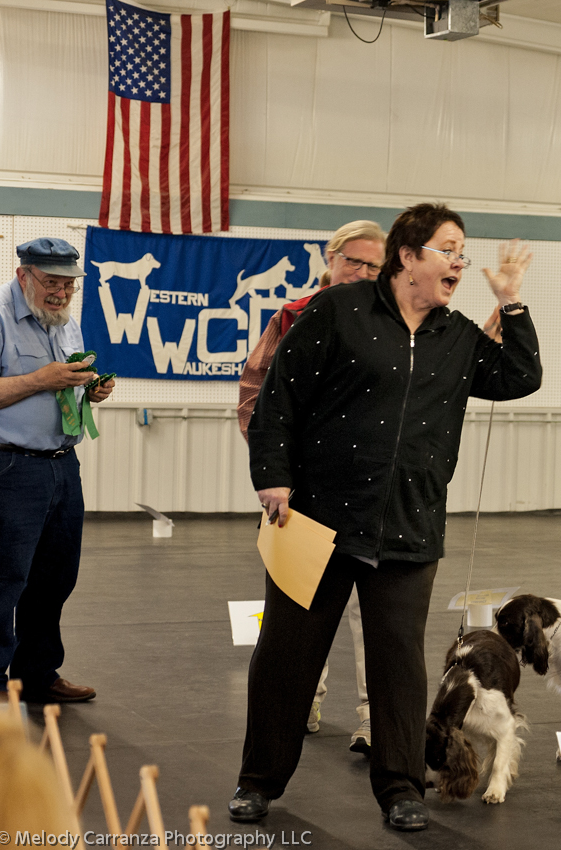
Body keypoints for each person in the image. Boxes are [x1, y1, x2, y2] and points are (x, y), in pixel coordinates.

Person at [231, 203, 541, 831]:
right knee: (287, 656)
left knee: (399, 666)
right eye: (447, 248)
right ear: (408, 257)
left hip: (409, 525)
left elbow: (519, 376)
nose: (459, 260)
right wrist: (274, 477)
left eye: (462, 250)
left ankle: (400, 788)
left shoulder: (455, 337)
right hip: (314, 522)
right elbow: (278, 399)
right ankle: (258, 781)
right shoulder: (336, 314)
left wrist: (512, 304)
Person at [238, 220, 385, 754]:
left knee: (371, 614)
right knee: (297, 607)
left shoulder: (395, 324)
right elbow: (254, 394)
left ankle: (374, 717)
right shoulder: (292, 316)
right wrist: (276, 472)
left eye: (375, 266)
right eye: (354, 262)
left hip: (372, 498)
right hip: (301, 497)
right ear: (330, 258)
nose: (363, 273)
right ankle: (303, 702)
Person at [0, 238, 114, 703]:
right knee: (2, 578)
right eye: (51, 282)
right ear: (24, 275)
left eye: (69, 285)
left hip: (61, 466)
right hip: (5, 467)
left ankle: (36, 673)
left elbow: (66, 383)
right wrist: (42, 379)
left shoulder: (65, 323)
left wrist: (90, 390)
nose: (61, 293)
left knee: (55, 577)